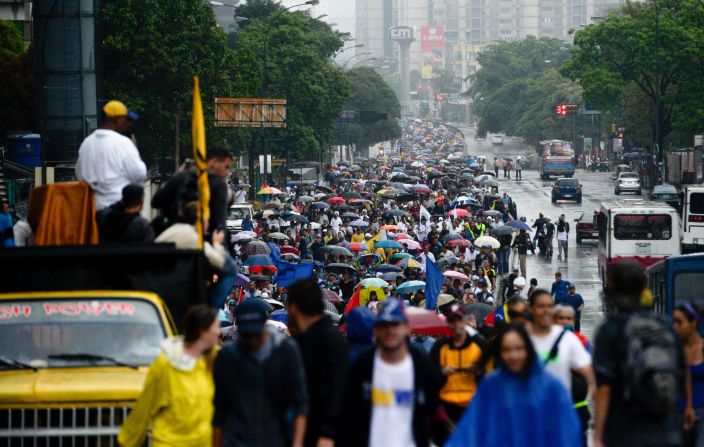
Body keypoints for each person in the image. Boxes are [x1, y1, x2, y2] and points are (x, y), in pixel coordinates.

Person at [593, 262, 687, 447]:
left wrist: (597, 436)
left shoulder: (610, 329)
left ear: (611, 288)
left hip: (625, 430)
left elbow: (604, 388)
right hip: (666, 430)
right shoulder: (665, 325)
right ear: (644, 287)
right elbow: (681, 373)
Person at [445, 323, 582, 446]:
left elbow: (567, 433)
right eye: (506, 350)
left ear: (528, 349)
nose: (513, 355)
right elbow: (470, 431)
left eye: (518, 348)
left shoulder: (551, 386)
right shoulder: (490, 386)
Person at [339, 300, 441, 447]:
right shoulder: (363, 365)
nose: (390, 331)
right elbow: (348, 414)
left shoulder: (421, 364)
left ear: (406, 327)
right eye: (384, 325)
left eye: (395, 324)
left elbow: (435, 415)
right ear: (375, 329)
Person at [118, 305, 220, 446]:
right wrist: (126, 442)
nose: (218, 331)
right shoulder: (165, 364)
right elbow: (145, 407)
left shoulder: (212, 361)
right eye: (216, 326)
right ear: (203, 331)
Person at [212, 299, 308, 447]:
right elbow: (220, 407)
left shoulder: (286, 351)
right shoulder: (227, 356)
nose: (251, 340)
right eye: (246, 334)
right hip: (236, 439)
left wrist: (297, 442)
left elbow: (300, 401)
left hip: (275, 437)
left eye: (255, 334)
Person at [287, 279, 348, 447]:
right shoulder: (302, 340)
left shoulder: (329, 340)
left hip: (322, 436)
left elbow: (337, 389)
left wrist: (327, 433)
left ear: (293, 307)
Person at [155, 202, 237, 309]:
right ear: (200, 220)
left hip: (164, 278)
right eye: (207, 220)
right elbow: (219, 262)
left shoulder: (174, 229)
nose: (208, 224)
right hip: (174, 282)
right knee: (231, 268)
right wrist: (216, 243)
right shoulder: (192, 236)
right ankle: (212, 310)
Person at [430, 304, 488, 442]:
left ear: (466, 321)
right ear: (447, 323)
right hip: (447, 408)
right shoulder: (439, 346)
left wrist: (478, 371)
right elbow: (430, 376)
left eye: (459, 320)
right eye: (452, 321)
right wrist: (442, 372)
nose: (457, 325)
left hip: (473, 406)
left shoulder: (480, 344)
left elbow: (492, 375)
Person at [75, 101, 147, 211]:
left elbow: (80, 176)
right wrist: (134, 148)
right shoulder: (123, 143)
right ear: (117, 120)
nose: (129, 124)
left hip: (92, 211)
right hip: (118, 210)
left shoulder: (86, 143)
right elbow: (140, 174)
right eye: (126, 120)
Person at [527, 288, 595, 396]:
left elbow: (589, 372)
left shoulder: (568, 339)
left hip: (560, 407)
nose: (546, 310)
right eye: (541, 306)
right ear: (530, 309)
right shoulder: (521, 338)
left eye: (550, 306)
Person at [151, 147, 233, 234]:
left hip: (173, 238)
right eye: (226, 167)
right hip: (203, 241)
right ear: (214, 162)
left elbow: (156, 202)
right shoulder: (218, 185)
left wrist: (175, 177)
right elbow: (220, 224)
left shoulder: (182, 177)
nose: (227, 172)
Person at [673, 302, 704, 447]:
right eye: (674, 322)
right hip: (678, 413)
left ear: (693, 323)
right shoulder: (674, 349)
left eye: (680, 322)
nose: (675, 327)